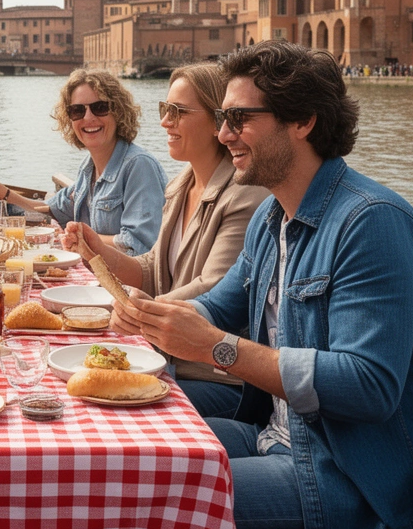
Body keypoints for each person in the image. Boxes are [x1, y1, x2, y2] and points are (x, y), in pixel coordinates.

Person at [111, 41, 413, 529]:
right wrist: (152, 316)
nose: (223, 134)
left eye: (239, 118)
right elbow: (217, 306)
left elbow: (369, 385)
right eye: (222, 117)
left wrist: (218, 348)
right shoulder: (271, 218)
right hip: (274, 437)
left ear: (303, 121)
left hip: (349, 481)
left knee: (147, 502)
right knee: (125, 449)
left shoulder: (372, 222)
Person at [61, 62, 267, 386]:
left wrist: (138, 311)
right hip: (166, 358)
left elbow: (212, 290)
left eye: (178, 112)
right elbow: (150, 270)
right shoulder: (180, 186)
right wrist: (97, 249)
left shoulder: (245, 195)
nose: (165, 121)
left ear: (218, 122)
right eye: (164, 109)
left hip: (212, 377)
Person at [0, 69, 167, 256]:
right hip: (96, 271)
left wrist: (82, 238)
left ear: (118, 112)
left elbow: (139, 245)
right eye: (77, 111)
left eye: (100, 107)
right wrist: (1, 191)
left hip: (123, 277)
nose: (88, 117)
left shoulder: (139, 166)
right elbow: (50, 210)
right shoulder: (88, 168)